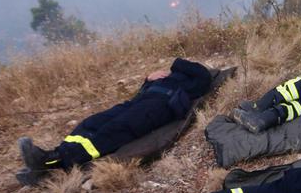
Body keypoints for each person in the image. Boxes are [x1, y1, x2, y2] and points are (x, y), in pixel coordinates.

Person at [16, 58, 215, 185]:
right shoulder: (163, 78)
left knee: (113, 131)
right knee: (91, 123)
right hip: (138, 102)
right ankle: (48, 161)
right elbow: (143, 91)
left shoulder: (195, 80)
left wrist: (174, 65)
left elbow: (201, 73)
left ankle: (54, 160)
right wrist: (148, 78)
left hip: (158, 108)